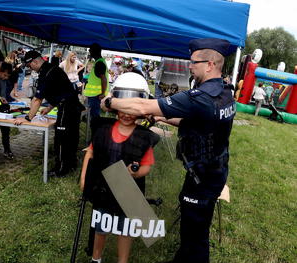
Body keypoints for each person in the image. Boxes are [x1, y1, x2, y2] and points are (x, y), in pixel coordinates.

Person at [101, 38, 236, 263]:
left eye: (194, 62)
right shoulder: (223, 92)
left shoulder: (201, 97)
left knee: (196, 236)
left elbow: (141, 105)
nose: (190, 66)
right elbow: (194, 123)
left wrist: (110, 102)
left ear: (210, 64)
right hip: (212, 171)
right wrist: (159, 116)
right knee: (192, 227)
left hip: (202, 178)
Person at [80, 72, 159, 263]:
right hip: (102, 188)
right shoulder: (103, 130)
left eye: (132, 110)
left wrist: (136, 173)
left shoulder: (143, 137)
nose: (126, 114)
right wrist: (84, 178)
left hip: (129, 191)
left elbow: (147, 166)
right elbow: (90, 153)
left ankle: (122, 260)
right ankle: (96, 258)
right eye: (123, 108)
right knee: (101, 226)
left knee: (125, 229)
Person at [14, 50, 84, 177]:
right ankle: (71, 164)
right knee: (72, 136)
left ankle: (61, 169)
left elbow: (37, 99)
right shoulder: (53, 68)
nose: (31, 69)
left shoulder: (46, 73)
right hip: (73, 105)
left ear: (35, 62)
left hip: (67, 107)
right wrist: (50, 107)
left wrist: (28, 118)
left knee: (62, 139)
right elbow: (61, 90)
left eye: (30, 66)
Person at [83, 43, 109, 120]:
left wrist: (103, 93)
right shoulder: (99, 62)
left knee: (95, 116)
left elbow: (104, 79)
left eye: (90, 50)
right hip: (95, 95)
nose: (89, 52)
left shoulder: (99, 63)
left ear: (94, 51)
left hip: (96, 95)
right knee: (94, 115)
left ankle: (95, 130)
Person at [0, 62, 15, 159]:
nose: (6, 77)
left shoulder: (6, 81)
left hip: (4, 108)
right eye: (4, 75)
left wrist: (12, 99)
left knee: (6, 131)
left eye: (7, 76)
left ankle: (7, 150)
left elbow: (6, 94)